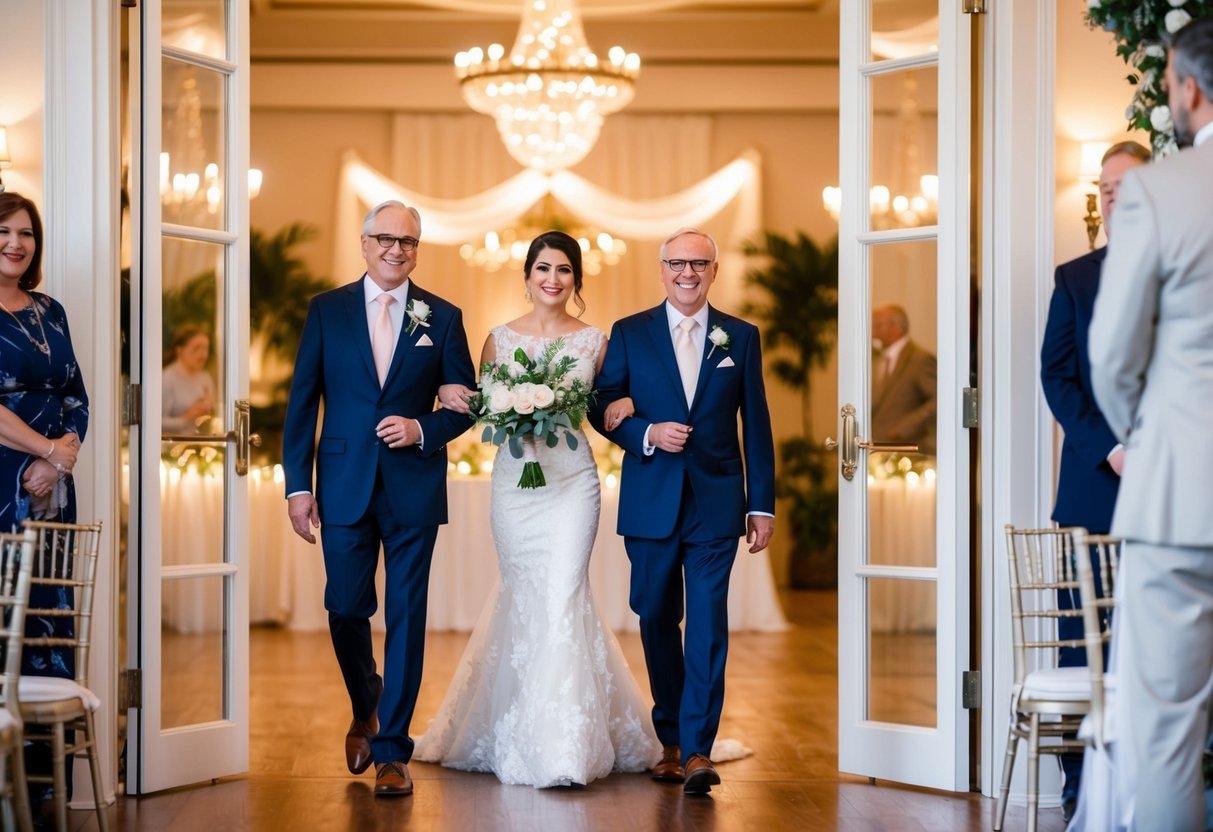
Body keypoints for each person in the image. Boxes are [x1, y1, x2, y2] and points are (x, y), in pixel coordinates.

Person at [413, 230, 663, 787]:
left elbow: (613, 399)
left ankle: (565, 744)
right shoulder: (497, 341)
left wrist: (625, 401)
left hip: (572, 484)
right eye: (543, 269)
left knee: (563, 594)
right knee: (524, 596)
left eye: (564, 271)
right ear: (526, 277)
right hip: (515, 487)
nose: (553, 279)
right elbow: (476, 408)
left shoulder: (596, 342)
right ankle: (518, 728)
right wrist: (461, 401)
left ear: (576, 280)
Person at [282, 200, 476, 797]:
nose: (397, 249)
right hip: (342, 483)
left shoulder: (442, 317)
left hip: (413, 486)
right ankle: (365, 700)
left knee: (408, 615)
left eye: (409, 241)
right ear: (364, 244)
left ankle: (393, 748)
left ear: (418, 249)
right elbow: (302, 403)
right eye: (386, 239)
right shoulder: (327, 310)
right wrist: (297, 485)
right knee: (345, 605)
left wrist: (423, 428)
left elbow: (466, 405)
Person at [590, 227, 775, 794]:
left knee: (709, 623)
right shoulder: (629, 332)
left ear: (714, 271)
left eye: (698, 263)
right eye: (676, 263)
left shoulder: (740, 337)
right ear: (662, 268)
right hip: (651, 500)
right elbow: (601, 407)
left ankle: (696, 749)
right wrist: (647, 433)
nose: (687, 273)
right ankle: (667, 734)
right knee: (654, 615)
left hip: (717, 504)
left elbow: (758, 426)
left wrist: (761, 504)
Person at [1088, 16, 1213, 830]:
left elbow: (1111, 357)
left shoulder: (1161, 191)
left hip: (1182, 499)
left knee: (1166, 729)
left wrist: (1156, 435)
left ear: (1189, 87)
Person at [1039, 139, 1148, 822]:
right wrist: (1108, 449)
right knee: (1084, 636)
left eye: (1123, 188)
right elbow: (1057, 376)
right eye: (1102, 188)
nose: (1109, 198)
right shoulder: (1074, 278)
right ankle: (1078, 782)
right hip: (1094, 486)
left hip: (1172, 490)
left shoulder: (1186, 272)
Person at [0, 192, 89, 813]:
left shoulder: (50, 309)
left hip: (53, 485)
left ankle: (46, 785)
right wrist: (45, 452)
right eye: (3, 231)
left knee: (46, 614)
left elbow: (77, 393)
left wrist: (63, 451)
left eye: (25, 233)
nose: (15, 243)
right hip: (6, 481)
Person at [870, 304, 936, 456]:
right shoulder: (877, 359)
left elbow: (938, 401)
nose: (873, 332)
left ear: (895, 327)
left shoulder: (920, 359)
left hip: (908, 452)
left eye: (878, 326)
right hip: (877, 450)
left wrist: (904, 428)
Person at [162, 326, 214, 434]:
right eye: (197, 348)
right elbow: (154, 423)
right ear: (179, 350)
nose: (203, 355)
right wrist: (187, 417)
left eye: (205, 348)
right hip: (171, 447)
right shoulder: (166, 379)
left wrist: (210, 411)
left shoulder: (205, 378)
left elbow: (211, 420)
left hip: (200, 445)